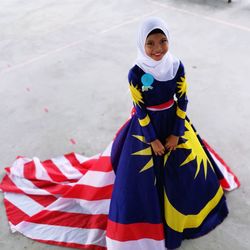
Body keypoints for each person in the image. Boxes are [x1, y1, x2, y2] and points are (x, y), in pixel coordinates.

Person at [0, 17, 239, 250]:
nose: (157, 48)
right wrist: (153, 139)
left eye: (162, 41)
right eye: (150, 43)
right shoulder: (136, 73)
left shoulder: (176, 66)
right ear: (141, 45)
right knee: (141, 180)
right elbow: (140, 109)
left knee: (187, 171)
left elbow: (183, 99)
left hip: (175, 124)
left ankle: (186, 220)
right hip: (147, 130)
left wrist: (176, 134)